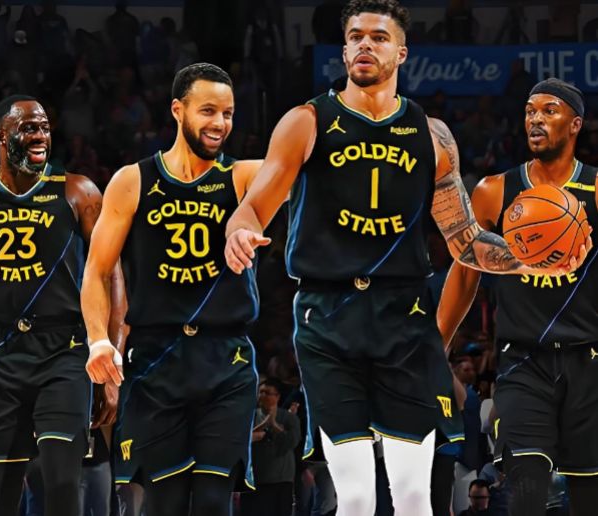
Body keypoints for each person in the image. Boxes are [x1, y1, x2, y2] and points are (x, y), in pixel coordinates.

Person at [223, 2, 589, 514]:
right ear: (344, 50)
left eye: (378, 37)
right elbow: (253, 207)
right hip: (328, 316)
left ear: (401, 52)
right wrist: (239, 232)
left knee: (415, 495)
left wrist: (533, 261)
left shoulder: (431, 135)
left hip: (404, 316)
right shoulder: (307, 121)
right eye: (355, 36)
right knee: (355, 494)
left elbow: (465, 241)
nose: (364, 44)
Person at [81, 63, 263, 516]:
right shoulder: (133, 180)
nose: (220, 123)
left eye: (228, 113)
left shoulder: (244, 177)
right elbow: (97, 271)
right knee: (164, 503)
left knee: (215, 501)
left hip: (225, 359)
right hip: (156, 360)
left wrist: (247, 221)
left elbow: (305, 165)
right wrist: (98, 339)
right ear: (178, 110)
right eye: (208, 111)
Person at [437, 77, 598, 516]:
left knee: (589, 500)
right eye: (529, 111)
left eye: (549, 110)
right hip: (522, 361)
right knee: (525, 492)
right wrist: (436, 347)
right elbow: (465, 272)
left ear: (575, 124)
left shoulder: (595, 189)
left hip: (588, 360)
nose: (535, 120)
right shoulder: (495, 190)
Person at [0, 94, 123, 516]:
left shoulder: (78, 191)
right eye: (28, 128)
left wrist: (111, 361)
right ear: (1, 137)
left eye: (44, 127)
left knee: (62, 484)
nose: (40, 135)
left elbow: (111, 277)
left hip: (63, 351)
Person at [241, 378, 302, 516]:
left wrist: (274, 424)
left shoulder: (289, 418)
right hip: (255, 479)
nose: (262, 396)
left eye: (267, 393)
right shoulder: (250, 416)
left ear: (277, 396)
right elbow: (242, 439)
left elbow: (292, 441)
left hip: (281, 479)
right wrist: (264, 425)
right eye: (260, 392)